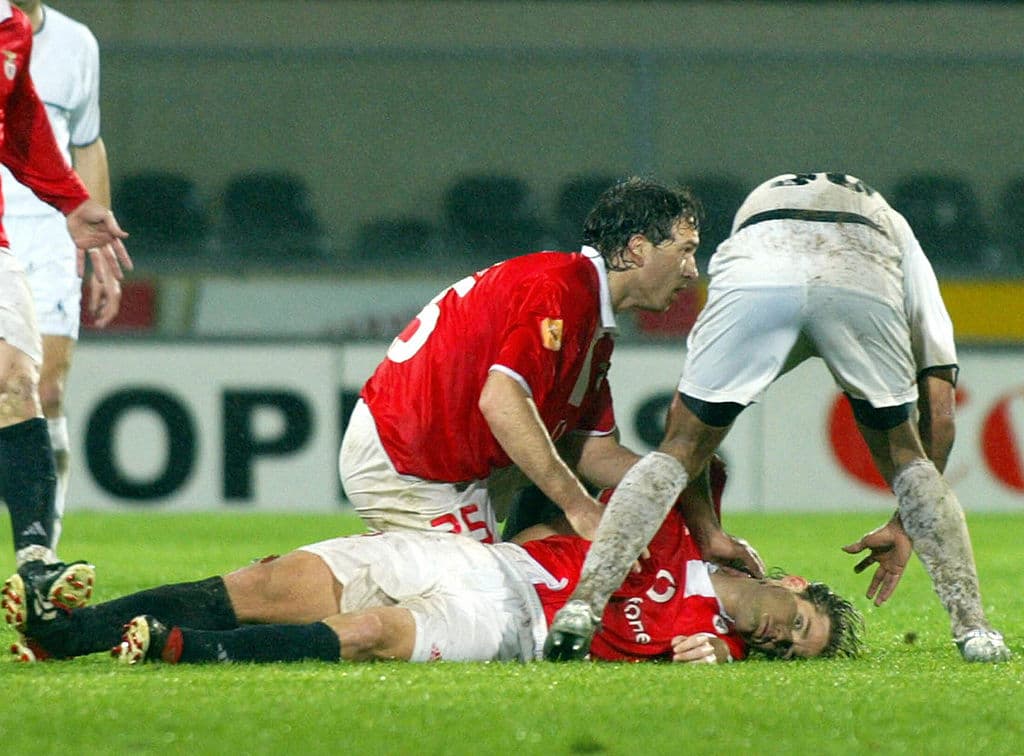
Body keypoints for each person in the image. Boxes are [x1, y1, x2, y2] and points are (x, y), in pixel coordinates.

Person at [546, 172, 1010, 663]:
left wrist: (707, 533)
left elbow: (681, 424)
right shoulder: (898, 234)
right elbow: (941, 416)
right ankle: (975, 632)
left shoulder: (760, 205)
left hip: (761, 253)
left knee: (680, 445)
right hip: (858, 261)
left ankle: (583, 606)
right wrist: (905, 522)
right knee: (905, 456)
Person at [2, 462, 862, 665]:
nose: (780, 638)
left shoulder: (706, 649)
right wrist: (710, 527)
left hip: (507, 625)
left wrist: (706, 660)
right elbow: (689, 451)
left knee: (370, 632)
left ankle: (175, 648)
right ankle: (64, 633)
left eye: (791, 650)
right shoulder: (684, 529)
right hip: (477, 559)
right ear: (789, 584)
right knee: (266, 585)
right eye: (798, 623)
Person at [342, 177, 749, 554]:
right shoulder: (559, 290)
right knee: (486, 597)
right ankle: (331, 581)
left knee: (513, 576)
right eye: (685, 251)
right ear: (636, 249)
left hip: (448, 460)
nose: (692, 271)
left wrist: (676, 477)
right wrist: (578, 507)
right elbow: (502, 401)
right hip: (410, 459)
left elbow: (593, 452)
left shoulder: (585, 310)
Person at [0, 0, 129, 628]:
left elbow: (29, 124)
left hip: (29, 228)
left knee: (26, 382)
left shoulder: (20, 32)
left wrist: (75, 205)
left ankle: (37, 564)